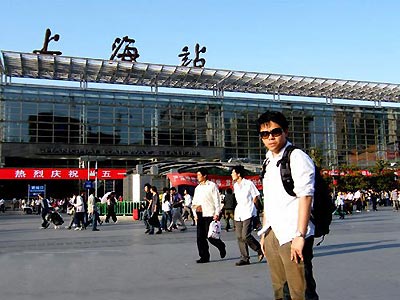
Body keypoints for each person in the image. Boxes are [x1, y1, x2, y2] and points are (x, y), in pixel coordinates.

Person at [257, 111, 319, 300]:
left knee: (300, 289)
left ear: (285, 132)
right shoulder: (268, 160)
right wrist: (264, 232)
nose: (270, 138)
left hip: (293, 234)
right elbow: (269, 198)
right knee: (280, 288)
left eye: (275, 132)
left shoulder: (297, 157)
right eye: (265, 134)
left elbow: (306, 196)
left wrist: (300, 236)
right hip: (273, 232)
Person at [231, 165, 264, 266]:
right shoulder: (235, 185)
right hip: (239, 213)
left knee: (245, 235)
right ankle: (245, 258)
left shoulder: (249, 184)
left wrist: (257, 211)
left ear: (239, 174)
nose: (231, 175)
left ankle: (259, 249)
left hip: (248, 212)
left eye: (233, 173)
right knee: (239, 236)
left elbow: (256, 197)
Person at [192, 167, 226, 263]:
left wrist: (217, 213)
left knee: (210, 236)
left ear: (204, 175)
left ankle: (221, 245)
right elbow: (194, 203)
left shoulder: (212, 186)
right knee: (200, 237)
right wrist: (194, 213)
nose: (197, 177)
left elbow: (217, 200)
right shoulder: (197, 188)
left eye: (199, 175)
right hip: (199, 214)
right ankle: (204, 256)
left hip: (209, 213)